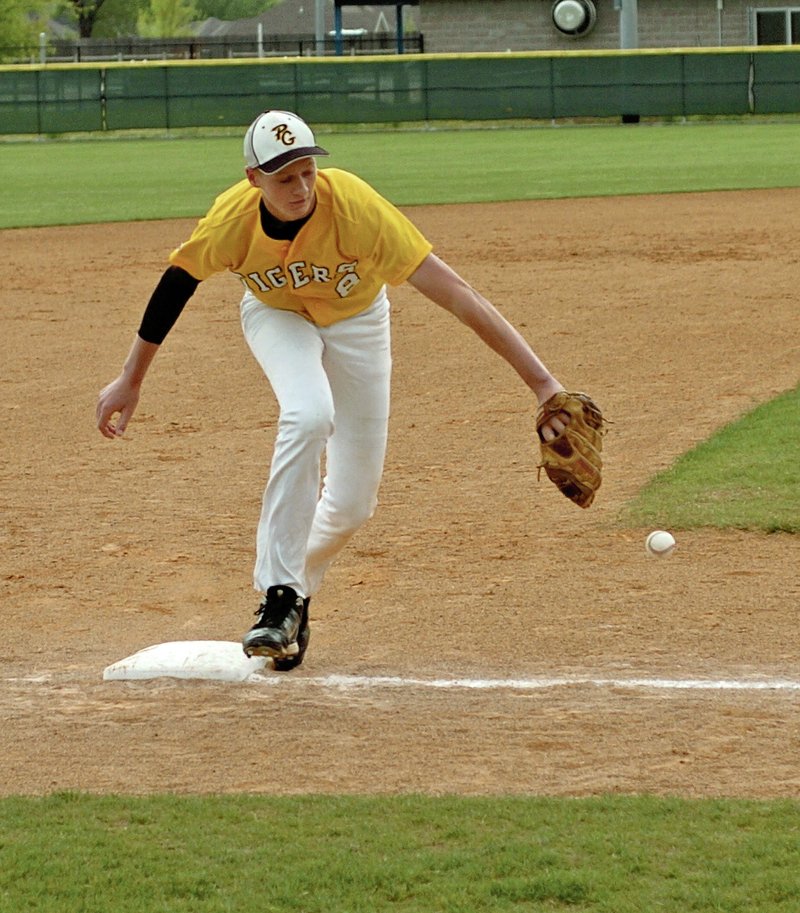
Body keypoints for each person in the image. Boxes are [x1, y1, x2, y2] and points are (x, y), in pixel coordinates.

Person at [96, 109, 569, 671]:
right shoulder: (231, 220)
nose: (298, 188)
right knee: (308, 413)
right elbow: (176, 286)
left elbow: (456, 293)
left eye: (305, 172)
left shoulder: (358, 209)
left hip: (358, 323)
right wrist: (131, 378)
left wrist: (543, 383)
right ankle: (276, 598)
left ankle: (295, 597)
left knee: (351, 505)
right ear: (254, 180)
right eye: (282, 177)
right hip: (276, 317)